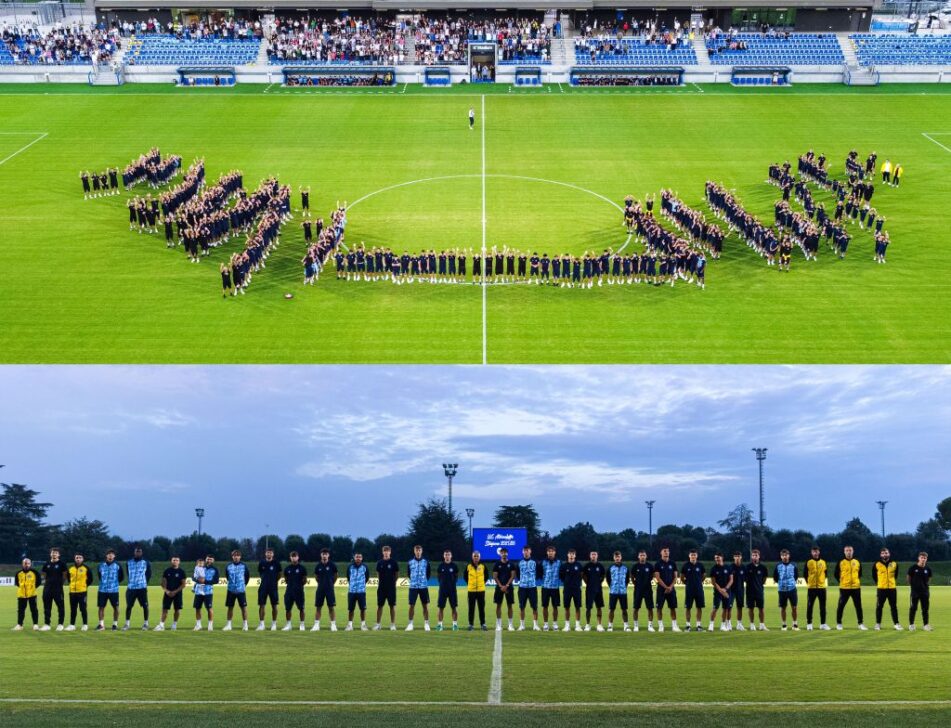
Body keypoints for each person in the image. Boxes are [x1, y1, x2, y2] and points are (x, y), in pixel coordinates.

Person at [834, 545, 867, 630]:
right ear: (844, 552)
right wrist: (843, 582)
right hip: (844, 588)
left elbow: (859, 574)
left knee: (858, 606)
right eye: (847, 550)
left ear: (853, 551)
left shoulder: (857, 561)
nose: (849, 552)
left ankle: (860, 624)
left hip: (856, 588)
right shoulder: (841, 562)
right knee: (841, 606)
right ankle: (839, 623)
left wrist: (855, 581)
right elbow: (836, 574)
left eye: (850, 550)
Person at [873, 547, 902, 631]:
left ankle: (896, 624)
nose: (884, 554)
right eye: (883, 553)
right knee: (879, 607)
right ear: (880, 555)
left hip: (892, 589)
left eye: (886, 553)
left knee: (893, 607)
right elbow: (874, 576)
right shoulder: (877, 564)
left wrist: (891, 583)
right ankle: (878, 624)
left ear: (889, 554)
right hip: (881, 589)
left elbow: (895, 575)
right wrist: (880, 583)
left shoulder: (894, 564)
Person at [123, 546, 152, 631]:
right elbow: (128, 573)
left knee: (145, 606)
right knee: (129, 606)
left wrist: (143, 582)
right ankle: (127, 624)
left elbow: (149, 574)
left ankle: (146, 623)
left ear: (141, 552)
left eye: (139, 551)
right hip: (131, 588)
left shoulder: (146, 562)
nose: (138, 553)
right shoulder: (128, 562)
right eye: (136, 551)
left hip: (142, 588)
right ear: (134, 552)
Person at [155, 555, 186, 631]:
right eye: (173, 560)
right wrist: (167, 591)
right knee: (165, 609)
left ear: (179, 562)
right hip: (168, 594)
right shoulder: (167, 571)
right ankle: (162, 625)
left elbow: (183, 584)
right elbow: (163, 583)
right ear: (171, 561)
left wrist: (175, 592)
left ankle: (174, 625)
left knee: (177, 609)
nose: (175, 561)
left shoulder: (181, 572)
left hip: (177, 593)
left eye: (176, 560)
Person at [96, 549, 124, 631]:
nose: (110, 556)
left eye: (112, 554)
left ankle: (115, 625)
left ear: (114, 556)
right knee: (101, 607)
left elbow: (121, 577)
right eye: (109, 554)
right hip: (102, 590)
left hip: (114, 590)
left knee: (116, 607)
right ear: (106, 556)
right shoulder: (101, 565)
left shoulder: (118, 565)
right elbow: (99, 576)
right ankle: (101, 625)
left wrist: (114, 584)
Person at [654, 547, 681, 632]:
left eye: (667, 551)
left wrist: (670, 587)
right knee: (659, 608)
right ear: (661, 553)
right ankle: (661, 626)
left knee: (673, 608)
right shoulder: (658, 564)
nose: (666, 553)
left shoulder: (672, 563)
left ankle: (674, 626)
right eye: (664, 551)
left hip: (671, 589)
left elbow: (675, 576)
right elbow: (657, 578)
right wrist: (666, 587)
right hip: (661, 590)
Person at [40, 548, 68, 631]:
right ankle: (47, 624)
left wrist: (59, 584)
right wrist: (46, 582)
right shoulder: (46, 564)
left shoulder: (62, 564)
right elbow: (43, 575)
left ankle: (60, 624)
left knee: (60, 607)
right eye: (53, 553)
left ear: (58, 555)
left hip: (58, 589)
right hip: (47, 589)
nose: (54, 554)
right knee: (47, 607)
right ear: (50, 554)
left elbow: (65, 576)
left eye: (56, 553)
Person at [804, 546, 830, 631]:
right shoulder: (808, 562)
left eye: (816, 551)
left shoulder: (823, 562)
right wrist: (810, 583)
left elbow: (825, 573)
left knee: (823, 607)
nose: (815, 553)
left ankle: (823, 624)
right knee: (810, 606)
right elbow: (805, 574)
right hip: (811, 588)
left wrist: (821, 582)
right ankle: (809, 624)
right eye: (813, 552)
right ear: (811, 553)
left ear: (819, 552)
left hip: (822, 588)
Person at [406, 544, 431, 632]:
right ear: (414, 551)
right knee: (411, 605)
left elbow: (428, 574)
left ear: (421, 551)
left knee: (425, 606)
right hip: (413, 587)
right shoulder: (410, 562)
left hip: (423, 587)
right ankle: (410, 624)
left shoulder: (426, 562)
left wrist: (423, 581)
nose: (418, 552)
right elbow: (409, 574)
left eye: (419, 550)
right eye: (416, 550)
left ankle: (426, 623)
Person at [223, 550, 251, 631]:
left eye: (237, 555)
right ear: (232, 557)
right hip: (231, 590)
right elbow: (227, 576)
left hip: (241, 590)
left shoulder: (244, 566)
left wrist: (242, 585)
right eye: (234, 555)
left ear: (240, 557)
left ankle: (245, 625)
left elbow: (247, 577)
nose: (236, 557)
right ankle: (229, 625)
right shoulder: (228, 566)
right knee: (230, 607)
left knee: (243, 608)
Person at [312, 548, 338, 632]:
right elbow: (316, 577)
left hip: (330, 589)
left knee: (331, 607)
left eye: (326, 554)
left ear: (328, 555)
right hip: (320, 589)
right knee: (318, 607)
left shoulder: (332, 565)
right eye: (323, 554)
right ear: (321, 555)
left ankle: (333, 625)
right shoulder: (318, 566)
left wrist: (331, 583)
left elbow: (336, 576)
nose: (324, 556)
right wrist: (321, 583)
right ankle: (316, 625)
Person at [516, 546, 541, 631]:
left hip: (532, 588)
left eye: (527, 551)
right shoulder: (519, 563)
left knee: (534, 607)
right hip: (522, 587)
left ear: (530, 551)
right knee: (521, 607)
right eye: (524, 551)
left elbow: (538, 573)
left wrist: (532, 580)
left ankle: (535, 625)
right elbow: (518, 574)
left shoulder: (534, 562)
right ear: (523, 552)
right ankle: (522, 625)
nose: (526, 552)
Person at [374, 545, 400, 631]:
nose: (386, 552)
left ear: (390, 552)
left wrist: (392, 582)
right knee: (379, 606)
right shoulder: (379, 563)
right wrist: (382, 582)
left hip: (391, 588)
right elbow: (378, 574)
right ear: (382, 552)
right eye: (384, 551)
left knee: (392, 606)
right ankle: (378, 624)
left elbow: (397, 574)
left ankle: (392, 624)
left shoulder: (393, 562)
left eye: (387, 551)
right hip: (381, 587)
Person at [66, 552, 93, 631]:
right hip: (72, 592)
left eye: (80, 558)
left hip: (82, 592)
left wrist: (84, 585)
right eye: (77, 558)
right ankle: (72, 625)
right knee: (73, 609)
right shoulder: (71, 568)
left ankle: (85, 625)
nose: (78, 559)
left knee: (83, 609)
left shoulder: (86, 568)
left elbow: (90, 579)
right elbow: (69, 579)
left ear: (83, 559)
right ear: (75, 559)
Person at [559, 548, 584, 632]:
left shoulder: (579, 565)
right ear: (568, 555)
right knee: (567, 607)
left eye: (573, 554)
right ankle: (567, 626)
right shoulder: (564, 566)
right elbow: (561, 576)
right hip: (567, 589)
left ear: (575, 555)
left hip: (577, 589)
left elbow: (581, 575)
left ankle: (577, 626)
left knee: (577, 607)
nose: (571, 555)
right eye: (570, 554)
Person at [257, 548, 282, 631]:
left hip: (273, 587)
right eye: (267, 553)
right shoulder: (262, 563)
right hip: (263, 587)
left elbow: (279, 575)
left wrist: (273, 581)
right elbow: (261, 573)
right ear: (265, 554)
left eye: (270, 553)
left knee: (274, 606)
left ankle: (274, 624)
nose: (269, 554)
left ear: (273, 554)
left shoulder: (276, 563)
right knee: (261, 605)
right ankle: (261, 624)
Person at [282, 551, 308, 631]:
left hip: (299, 591)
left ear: (298, 557)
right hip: (289, 591)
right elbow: (286, 579)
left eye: (295, 556)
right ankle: (289, 625)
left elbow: (305, 580)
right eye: (292, 556)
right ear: (290, 558)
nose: (294, 558)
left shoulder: (302, 568)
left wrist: (298, 586)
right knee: (288, 609)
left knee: (301, 608)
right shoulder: (287, 569)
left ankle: (302, 625)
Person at [774, 549, 799, 631]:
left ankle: (795, 624)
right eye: (783, 555)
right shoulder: (778, 566)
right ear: (781, 556)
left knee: (794, 607)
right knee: (783, 608)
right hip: (782, 590)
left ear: (789, 555)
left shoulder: (794, 565)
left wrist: (791, 583)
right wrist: (782, 584)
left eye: (786, 555)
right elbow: (775, 577)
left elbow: (796, 576)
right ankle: (784, 624)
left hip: (792, 589)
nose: (785, 557)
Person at [13, 558, 41, 631]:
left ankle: (35, 624)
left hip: (32, 594)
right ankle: (20, 625)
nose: (26, 565)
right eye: (25, 563)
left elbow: (38, 582)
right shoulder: (18, 573)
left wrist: (31, 589)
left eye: (28, 563)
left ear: (30, 564)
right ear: (22, 564)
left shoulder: (35, 572)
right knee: (21, 610)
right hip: (21, 595)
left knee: (34, 610)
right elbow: (17, 583)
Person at [708, 552, 734, 632]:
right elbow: (713, 582)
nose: (716, 559)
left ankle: (723, 625)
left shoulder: (728, 567)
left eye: (718, 557)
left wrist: (725, 589)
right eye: (715, 558)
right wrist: (721, 591)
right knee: (715, 608)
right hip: (718, 592)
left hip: (727, 591)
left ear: (722, 558)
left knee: (725, 609)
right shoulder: (713, 569)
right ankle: (711, 625)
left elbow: (731, 580)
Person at [631, 550, 655, 632]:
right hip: (638, 590)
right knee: (636, 608)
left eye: (643, 555)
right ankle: (636, 626)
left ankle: (650, 626)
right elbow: (632, 577)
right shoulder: (635, 566)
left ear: (646, 556)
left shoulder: (650, 566)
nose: (642, 557)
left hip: (648, 590)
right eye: (641, 555)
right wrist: (636, 584)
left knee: (650, 608)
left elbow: (652, 576)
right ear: (638, 556)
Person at [907, 552, 932, 631]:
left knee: (925, 609)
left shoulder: (928, 569)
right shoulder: (913, 568)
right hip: (915, 592)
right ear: (919, 558)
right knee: (913, 608)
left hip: (925, 592)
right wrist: (913, 586)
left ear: (926, 559)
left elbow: (929, 579)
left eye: (925, 558)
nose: (923, 559)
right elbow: (908, 578)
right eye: (922, 557)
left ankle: (925, 625)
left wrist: (925, 586)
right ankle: (911, 624)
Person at [681, 550, 706, 631]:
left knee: (699, 607)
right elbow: (682, 577)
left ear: (697, 556)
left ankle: (699, 625)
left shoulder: (700, 565)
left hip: (699, 589)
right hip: (689, 589)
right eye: (691, 555)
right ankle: (688, 625)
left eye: (694, 555)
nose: (693, 556)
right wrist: (687, 583)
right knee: (688, 607)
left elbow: (704, 575)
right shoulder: (685, 565)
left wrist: (699, 582)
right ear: (689, 556)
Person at [193, 555, 219, 631]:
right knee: (197, 608)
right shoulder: (200, 567)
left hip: (208, 591)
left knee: (209, 608)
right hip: (198, 591)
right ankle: (198, 625)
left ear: (213, 561)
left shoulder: (215, 569)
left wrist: (206, 582)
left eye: (211, 559)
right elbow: (193, 577)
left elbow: (216, 581)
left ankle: (210, 625)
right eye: (208, 559)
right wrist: (198, 580)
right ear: (205, 560)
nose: (209, 561)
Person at [492, 548, 516, 631]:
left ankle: (510, 625)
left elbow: (513, 576)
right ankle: (498, 625)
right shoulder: (497, 564)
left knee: (510, 605)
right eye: (502, 553)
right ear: (500, 554)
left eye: (505, 552)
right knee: (498, 605)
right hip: (499, 588)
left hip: (509, 587)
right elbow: (495, 576)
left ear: (507, 553)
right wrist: (501, 586)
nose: (504, 554)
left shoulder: (511, 564)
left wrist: (507, 585)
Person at [582, 550, 606, 631]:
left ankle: (599, 624)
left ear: (597, 556)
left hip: (598, 589)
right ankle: (588, 624)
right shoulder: (587, 566)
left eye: (595, 554)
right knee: (588, 608)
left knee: (599, 607)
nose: (593, 556)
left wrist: (598, 583)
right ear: (590, 556)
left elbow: (603, 575)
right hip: (589, 590)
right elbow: (583, 575)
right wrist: (588, 583)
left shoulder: (600, 566)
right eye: (592, 554)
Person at [745, 549, 769, 631]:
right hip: (749, 591)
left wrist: (759, 585)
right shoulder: (747, 567)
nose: (754, 557)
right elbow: (745, 579)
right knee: (751, 608)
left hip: (759, 591)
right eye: (753, 555)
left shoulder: (763, 568)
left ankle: (762, 625)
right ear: (751, 557)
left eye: (756, 555)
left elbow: (764, 579)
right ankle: (752, 624)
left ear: (759, 556)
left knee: (761, 608)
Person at [607, 551, 630, 632]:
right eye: (616, 557)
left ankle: (626, 626)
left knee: (624, 609)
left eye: (618, 556)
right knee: (611, 609)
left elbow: (627, 580)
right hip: (613, 592)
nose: (617, 558)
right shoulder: (610, 568)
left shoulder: (625, 568)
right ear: (614, 558)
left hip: (623, 592)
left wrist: (623, 587)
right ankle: (610, 626)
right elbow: (608, 579)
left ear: (621, 557)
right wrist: (613, 587)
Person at [436, 549, 459, 631]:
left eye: (448, 554)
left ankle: (455, 625)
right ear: (444, 556)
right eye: (445, 554)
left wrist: (452, 583)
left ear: (451, 556)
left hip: (452, 590)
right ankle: (440, 625)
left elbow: (456, 576)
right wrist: (443, 584)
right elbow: (438, 577)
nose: (447, 556)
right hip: (442, 590)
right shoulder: (440, 566)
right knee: (440, 608)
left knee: (454, 608)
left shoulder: (454, 566)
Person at [346, 553, 370, 631]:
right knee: (351, 609)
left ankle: (363, 625)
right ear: (354, 558)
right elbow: (348, 577)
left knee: (362, 609)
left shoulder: (365, 567)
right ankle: (350, 625)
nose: (358, 558)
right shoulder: (350, 567)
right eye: (357, 557)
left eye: (359, 557)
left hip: (361, 591)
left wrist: (361, 585)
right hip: (351, 591)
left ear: (362, 558)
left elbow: (367, 578)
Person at [540, 546, 562, 631]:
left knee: (555, 606)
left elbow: (562, 573)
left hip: (555, 587)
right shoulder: (543, 562)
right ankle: (545, 624)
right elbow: (539, 572)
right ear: (547, 553)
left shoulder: (559, 562)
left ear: (555, 552)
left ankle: (555, 624)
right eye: (549, 551)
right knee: (545, 606)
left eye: (552, 551)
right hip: (545, 587)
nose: (550, 553)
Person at [466, 551, 487, 631]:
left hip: (481, 590)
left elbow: (486, 576)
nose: (476, 557)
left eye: (477, 556)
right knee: (471, 608)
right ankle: (471, 625)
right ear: (472, 557)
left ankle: (483, 624)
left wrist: (481, 584)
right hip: (471, 590)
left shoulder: (483, 566)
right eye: (474, 556)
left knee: (481, 608)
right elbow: (465, 576)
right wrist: (471, 584)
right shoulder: (469, 566)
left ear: (479, 557)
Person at [729, 552, 747, 631]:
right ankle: (728, 623)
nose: (737, 558)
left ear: (741, 557)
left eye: (738, 556)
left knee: (740, 607)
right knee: (729, 607)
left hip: (740, 590)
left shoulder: (743, 567)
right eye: (736, 556)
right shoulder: (730, 567)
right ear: (733, 557)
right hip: (731, 590)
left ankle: (739, 624)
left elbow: (746, 579)